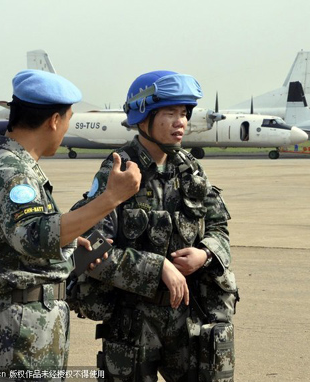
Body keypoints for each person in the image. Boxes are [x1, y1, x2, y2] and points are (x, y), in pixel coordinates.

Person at [0, 69, 141, 378]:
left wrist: (70, 245)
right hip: (17, 332)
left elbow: (20, 241)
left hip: (21, 326)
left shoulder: (9, 166)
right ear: (54, 120)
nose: (66, 126)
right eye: (69, 118)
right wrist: (110, 198)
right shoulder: (10, 171)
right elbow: (35, 236)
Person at [70, 70, 238, 382]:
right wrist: (156, 267)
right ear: (144, 116)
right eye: (170, 113)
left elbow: (219, 229)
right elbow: (87, 250)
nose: (181, 122)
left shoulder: (191, 169)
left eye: (184, 113)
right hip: (132, 324)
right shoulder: (118, 170)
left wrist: (206, 254)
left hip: (191, 319)